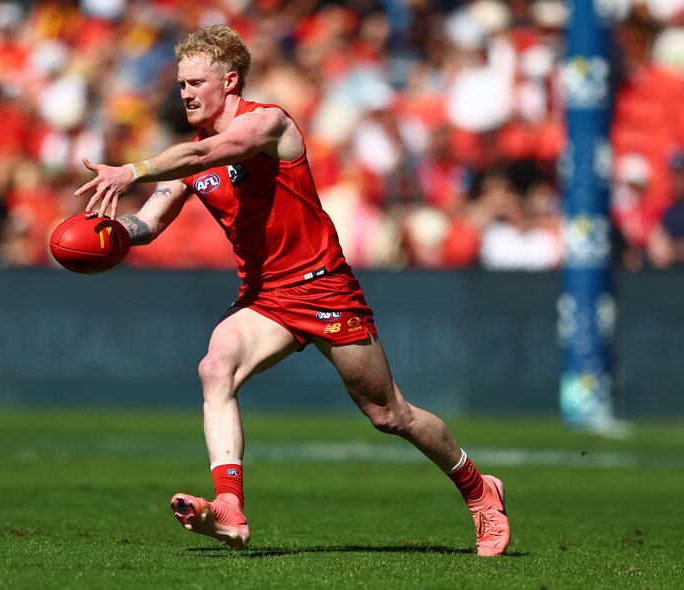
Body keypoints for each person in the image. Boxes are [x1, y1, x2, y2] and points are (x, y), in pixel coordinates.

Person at [74, 24, 510, 557]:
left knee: (389, 414)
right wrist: (114, 235)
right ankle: (229, 508)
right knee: (215, 367)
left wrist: (133, 168)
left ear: (229, 81)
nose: (184, 93)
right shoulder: (193, 154)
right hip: (265, 297)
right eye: (181, 84)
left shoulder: (267, 123)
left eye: (195, 82)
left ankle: (481, 491)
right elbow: (151, 220)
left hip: (323, 286)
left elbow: (209, 155)